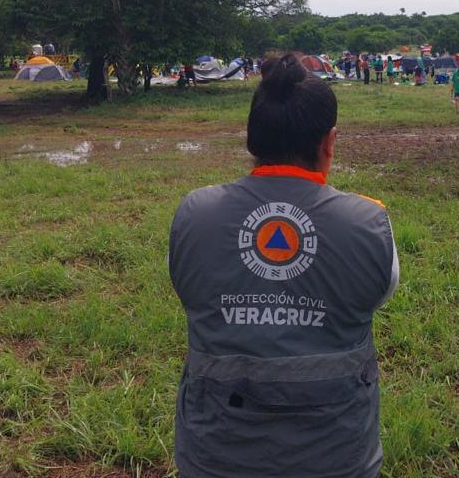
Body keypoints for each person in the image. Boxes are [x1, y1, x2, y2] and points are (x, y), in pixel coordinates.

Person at [169, 53, 399, 478]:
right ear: (329, 141)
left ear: (252, 139)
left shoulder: (193, 214)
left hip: (214, 453)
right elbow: (376, 296)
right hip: (337, 456)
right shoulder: (368, 221)